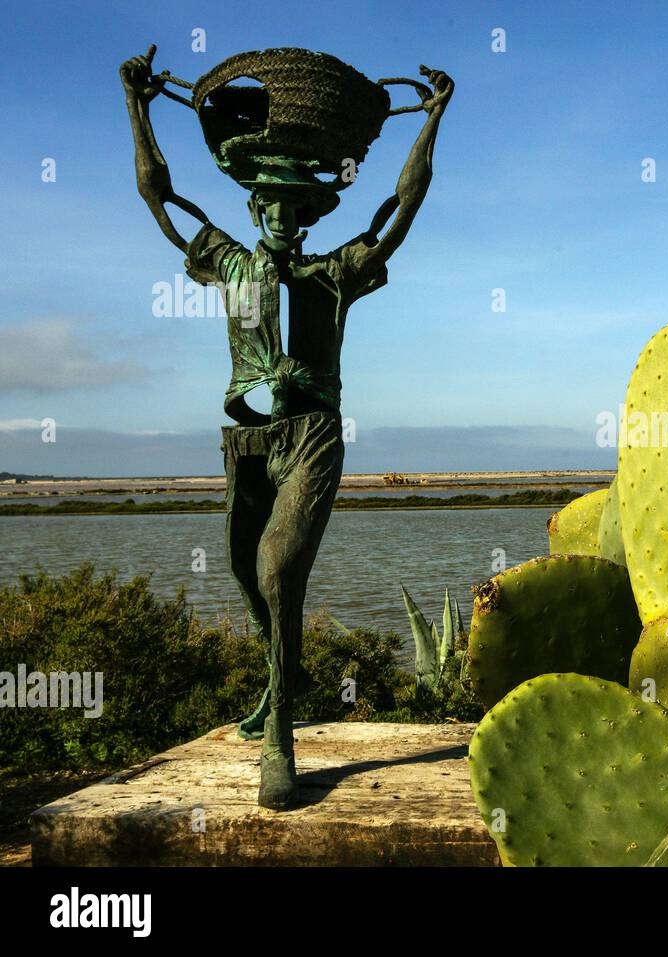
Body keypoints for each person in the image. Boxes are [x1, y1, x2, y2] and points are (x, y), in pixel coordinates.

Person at [121, 46, 454, 808]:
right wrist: (138, 108)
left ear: (306, 213)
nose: (279, 214)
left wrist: (431, 123)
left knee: (276, 570)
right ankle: (282, 681)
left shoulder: (332, 275)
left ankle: (281, 740)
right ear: (253, 208)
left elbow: (402, 209)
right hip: (245, 442)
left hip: (311, 437)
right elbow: (160, 197)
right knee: (246, 577)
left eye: (292, 205)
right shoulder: (228, 265)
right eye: (267, 203)